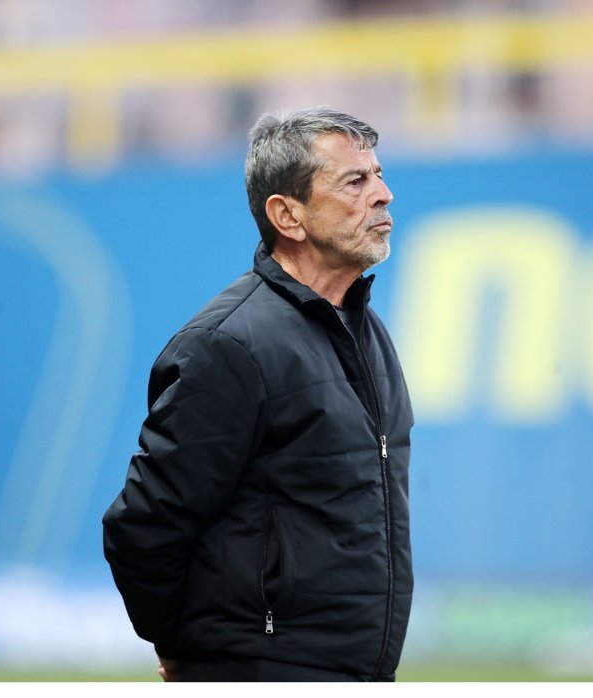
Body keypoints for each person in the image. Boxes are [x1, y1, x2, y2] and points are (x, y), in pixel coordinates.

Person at [102, 106, 413, 682]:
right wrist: (181, 645)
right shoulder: (229, 344)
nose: (383, 194)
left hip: (359, 671)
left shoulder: (367, 332)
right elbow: (145, 524)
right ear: (287, 215)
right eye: (354, 181)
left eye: (377, 174)